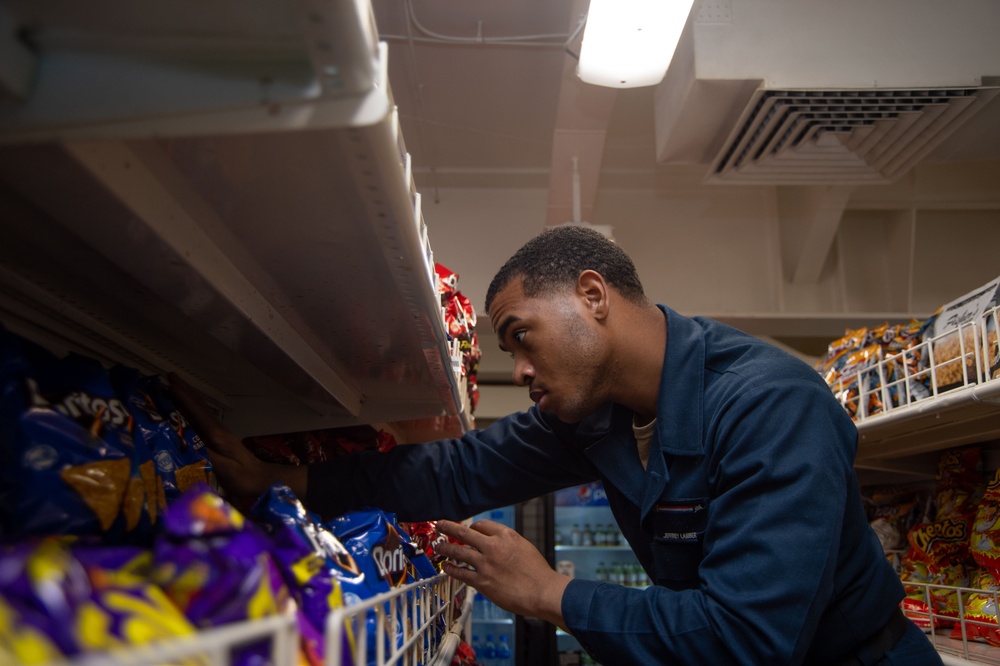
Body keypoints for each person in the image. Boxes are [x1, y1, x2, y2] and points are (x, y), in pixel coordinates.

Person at [170, 225, 942, 665]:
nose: (524, 370)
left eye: (521, 338)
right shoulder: (594, 416)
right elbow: (456, 467)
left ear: (593, 296)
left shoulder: (769, 404)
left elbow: (747, 638)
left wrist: (549, 594)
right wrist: (287, 481)